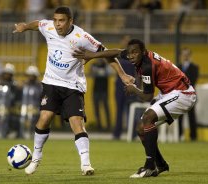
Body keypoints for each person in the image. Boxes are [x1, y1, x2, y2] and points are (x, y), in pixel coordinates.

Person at [13, 6, 134, 176]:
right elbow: (38, 24)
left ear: (71, 21)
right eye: (55, 20)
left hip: (73, 85)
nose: (57, 24)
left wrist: (122, 75)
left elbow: (106, 54)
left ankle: (86, 165)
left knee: (76, 122)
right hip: (51, 82)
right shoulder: (48, 26)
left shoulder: (82, 37)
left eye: (61, 21)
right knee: (44, 117)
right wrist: (24, 27)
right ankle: (36, 158)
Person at [73, 39, 197, 178]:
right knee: (141, 129)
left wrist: (134, 89)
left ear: (143, 52)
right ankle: (160, 164)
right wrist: (92, 55)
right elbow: (114, 52)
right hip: (169, 92)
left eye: (135, 53)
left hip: (183, 93)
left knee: (148, 118)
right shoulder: (136, 56)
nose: (131, 56)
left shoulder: (147, 66)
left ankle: (149, 166)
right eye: (129, 53)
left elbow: (147, 96)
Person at [177, 48, 199, 141]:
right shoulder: (178, 67)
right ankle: (179, 135)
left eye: (187, 54)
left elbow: (193, 81)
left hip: (190, 95)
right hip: (180, 95)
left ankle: (193, 136)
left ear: (190, 55)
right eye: (184, 54)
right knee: (179, 116)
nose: (185, 56)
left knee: (191, 116)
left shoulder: (195, 67)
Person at [90, 59, 112, 131]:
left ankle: (108, 126)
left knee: (106, 108)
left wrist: (99, 71)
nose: (99, 60)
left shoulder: (106, 65)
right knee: (96, 109)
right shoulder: (94, 65)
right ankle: (99, 125)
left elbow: (110, 72)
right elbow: (91, 73)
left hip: (104, 90)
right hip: (95, 90)